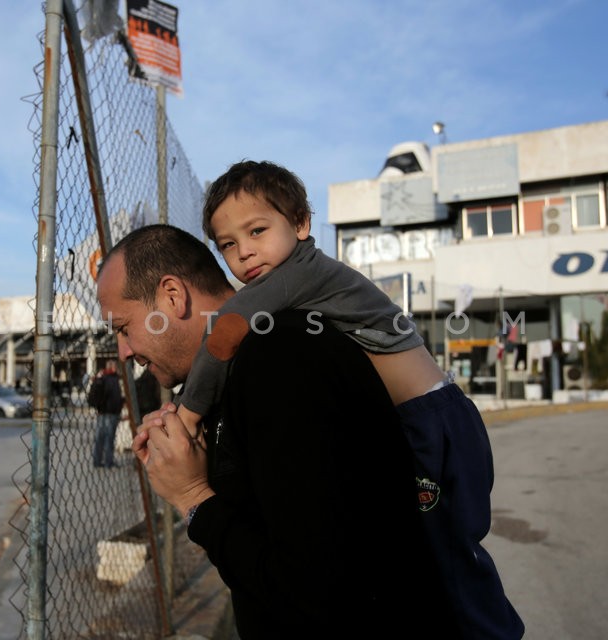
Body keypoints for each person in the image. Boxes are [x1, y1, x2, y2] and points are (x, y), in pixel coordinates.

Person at [181, 160, 524, 638]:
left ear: (301, 224)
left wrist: (187, 411)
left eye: (257, 230)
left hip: (429, 420)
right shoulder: (295, 280)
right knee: (450, 545)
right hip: (437, 415)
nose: (245, 253)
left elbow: (229, 329)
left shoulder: (296, 272)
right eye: (229, 246)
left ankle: (490, 631)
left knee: (441, 552)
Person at [97, 224, 463, 637]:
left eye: (123, 328)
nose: (124, 352)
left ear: (173, 296)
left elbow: (318, 595)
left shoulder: (278, 358)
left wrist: (194, 497)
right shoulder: (235, 372)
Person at [89, 359, 124, 468]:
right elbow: (115, 397)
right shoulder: (113, 379)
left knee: (100, 437)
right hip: (111, 412)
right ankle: (108, 462)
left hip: (102, 412)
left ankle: (97, 461)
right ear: (112, 367)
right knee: (109, 438)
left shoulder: (102, 377)